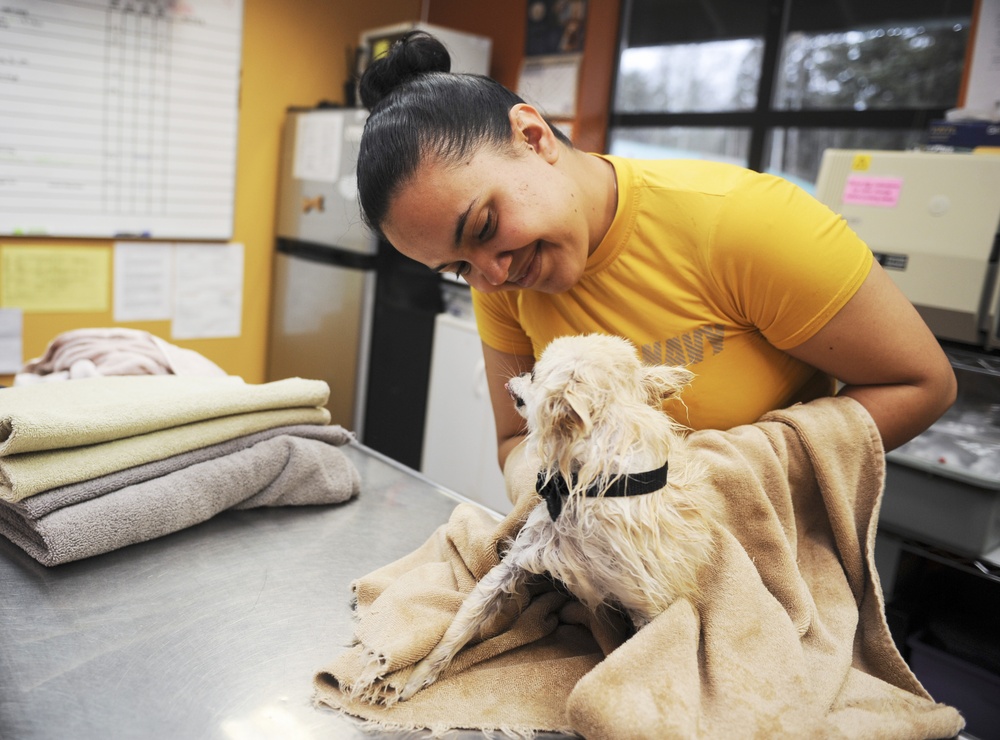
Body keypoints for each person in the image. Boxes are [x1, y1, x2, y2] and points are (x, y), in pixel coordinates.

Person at [356, 31, 956, 482]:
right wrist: (553, 500)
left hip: (768, 562)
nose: (491, 275)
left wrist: (721, 478)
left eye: (485, 226)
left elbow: (922, 384)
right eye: (457, 268)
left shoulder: (743, 224)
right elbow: (517, 440)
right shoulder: (506, 279)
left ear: (533, 137)